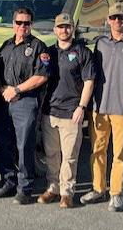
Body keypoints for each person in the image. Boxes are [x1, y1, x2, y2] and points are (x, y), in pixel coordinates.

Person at [81, 2, 123, 212]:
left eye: (121, 17)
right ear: (108, 20)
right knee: (97, 150)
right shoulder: (100, 43)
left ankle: (116, 193)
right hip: (99, 108)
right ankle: (98, 189)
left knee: (119, 153)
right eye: (113, 18)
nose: (117, 21)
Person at [37, 13, 95, 209]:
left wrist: (82, 107)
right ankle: (52, 188)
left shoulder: (83, 53)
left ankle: (67, 192)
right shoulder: (48, 53)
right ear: (55, 30)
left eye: (67, 27)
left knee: (69, 155)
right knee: (52, 154)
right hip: (50, 111)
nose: (64, 30)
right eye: (60, 27)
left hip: (71, 112)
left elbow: (89, 82)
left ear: (73, 28)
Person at [0, 7, 49, 204]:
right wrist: (4, 91)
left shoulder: (38, 47)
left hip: (25, 101)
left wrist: (16, 90)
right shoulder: (6, 45)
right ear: (13, 24)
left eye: (26, 23)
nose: (22, 27)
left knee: (24, 146)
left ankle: (25, 188)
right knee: (5, 144)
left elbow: (41, 76)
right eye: (19, 23)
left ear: (31, 25)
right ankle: (8, 183)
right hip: (4, 101)